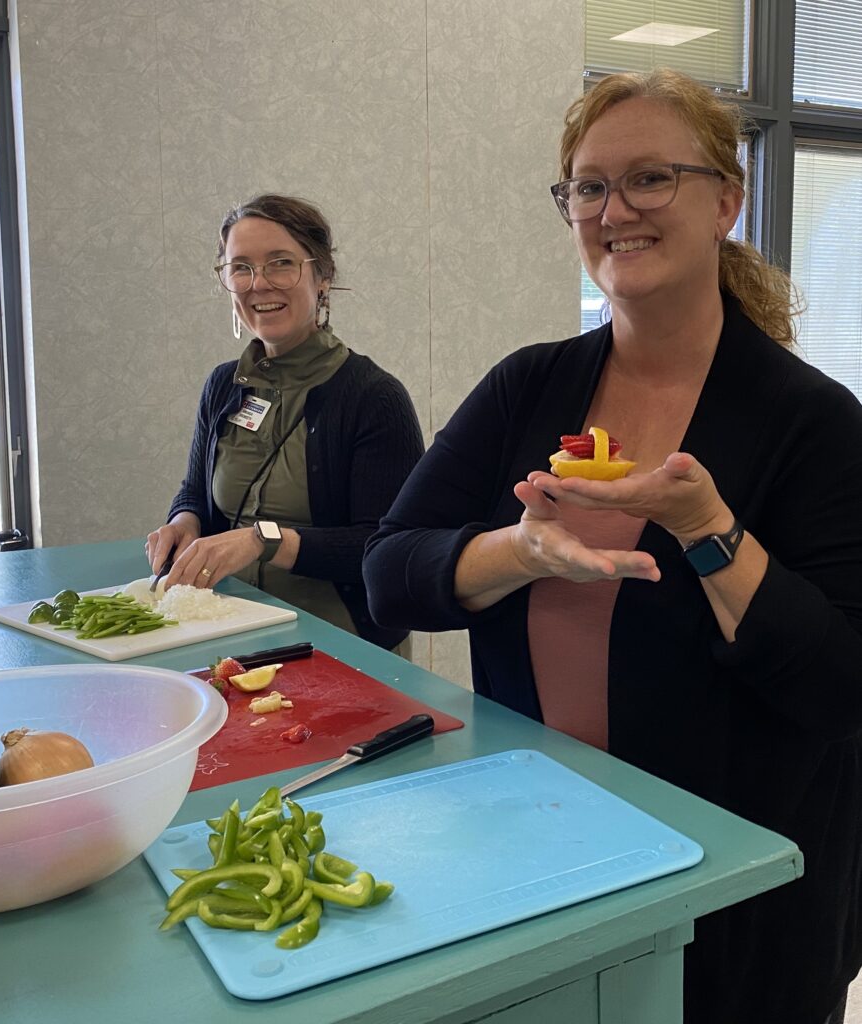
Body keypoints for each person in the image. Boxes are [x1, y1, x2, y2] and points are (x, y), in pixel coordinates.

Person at [364, 69, 862, 1024]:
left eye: (648, 179)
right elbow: (391, 576)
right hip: (546, 843)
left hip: (740, 879)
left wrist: (704, 530)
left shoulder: (814, 422)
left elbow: (840, 686)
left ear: (725, 200)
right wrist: (521, 553)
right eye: (587, 187)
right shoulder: (527, 386)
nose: (612, 210)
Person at [148, 193, 423, 651]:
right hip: (231, 630)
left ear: (322, 278)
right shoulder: (223, 385)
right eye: (241, 268)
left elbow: (387, 549)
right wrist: (184, 521)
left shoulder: (374, 397)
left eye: (281, 264)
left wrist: (263, 540)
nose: (260, 284)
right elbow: (196, 489)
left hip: (344, 646)